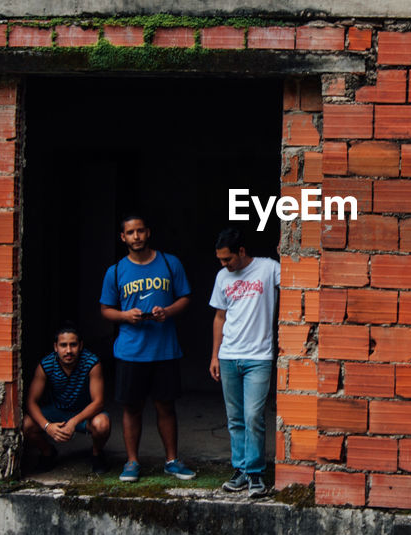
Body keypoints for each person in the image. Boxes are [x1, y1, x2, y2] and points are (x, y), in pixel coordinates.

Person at [100, 213, 196, 482]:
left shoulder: (169, 262)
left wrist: (167, 311)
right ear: (123, 237)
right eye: (130, 232)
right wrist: (124, 316)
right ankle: (132, 462)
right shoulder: (116, 271)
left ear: (148, 232)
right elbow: (105, 309)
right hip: (130, 351)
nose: (136, 236)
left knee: (166, 406)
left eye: (140, 231)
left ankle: (172, 460)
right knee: (132, 408)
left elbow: (186, 298)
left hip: (164, 349)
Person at [208, 227, 282, 498]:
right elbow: (219, 317)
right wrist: (215, 355)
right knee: (235, 418)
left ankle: (255, 473)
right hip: (228, 356)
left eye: (227, 259)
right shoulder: (222, 277)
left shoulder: (268, 269)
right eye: (220, 260)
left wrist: (286, 250)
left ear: (241, 251)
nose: (224, 265)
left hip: (258, 357)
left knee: (253, 416)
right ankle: (240, 470)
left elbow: (298, 279)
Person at [22, 324, 111, 474]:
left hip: (84, 413)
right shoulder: (46, 365)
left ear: (80, 345)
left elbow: (98, 402)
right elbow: (31, 402)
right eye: (63, 345)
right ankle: (47, 452)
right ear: (56, 347)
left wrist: (74, 422)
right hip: (57, 411)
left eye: (73, 345)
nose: (68, 350)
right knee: (26, 424)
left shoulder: (91, 363)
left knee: (102, 424)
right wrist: (47, 426)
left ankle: (97, 454)